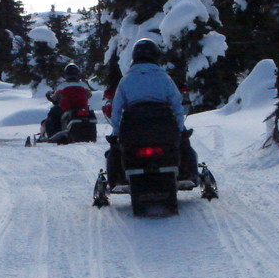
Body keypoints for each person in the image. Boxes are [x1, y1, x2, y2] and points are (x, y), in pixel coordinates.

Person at [108, 38, 199, 185]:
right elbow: (177, 104)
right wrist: (180, 128)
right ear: (156, 56)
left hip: (133, 132)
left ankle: (115, 179)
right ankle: (190, 174)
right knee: (185, 146)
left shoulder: (125, 81)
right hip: (164, 130)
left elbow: (116, 109)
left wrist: (116, 132)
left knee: (115, 150)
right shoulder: (165, 78)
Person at [42, 63, 93, 138]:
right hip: (82, 108)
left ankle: (52, 134)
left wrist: (51, 97)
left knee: (52, 113)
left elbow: (54, 97)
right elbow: (89, 95)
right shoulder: (84, 85)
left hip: (66, 108)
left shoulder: (62, 86)